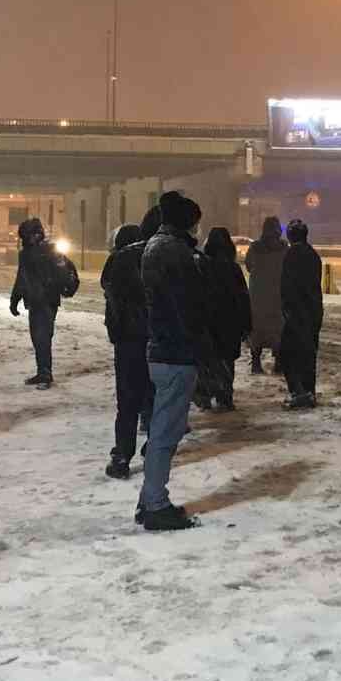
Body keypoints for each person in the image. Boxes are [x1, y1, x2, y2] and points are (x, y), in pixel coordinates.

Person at [139, 190, 206, 530]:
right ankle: (155, 504)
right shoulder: (177, 253)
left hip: (160, 349)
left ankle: (147, 500)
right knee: (166, 432)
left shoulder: (155, 246)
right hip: (176, 352)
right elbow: (189, 307)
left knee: (161, 430)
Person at [101, 222, 152, 478]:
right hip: (154, 338)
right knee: (153, 395)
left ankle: (121, 456)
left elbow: (110, 295)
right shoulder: (154, 256)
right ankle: (153, 447)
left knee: (127, 401)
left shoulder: (116, 262)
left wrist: (115, 330)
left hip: (127, 341)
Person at [10, 217, 79, 388]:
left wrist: (60, 288)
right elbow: (22, 278)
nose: (26, 240)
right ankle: (42, 371)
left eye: (27, 236)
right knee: (39, 337)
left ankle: (45, 374)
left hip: (46, 300)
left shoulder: (47, 251)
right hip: (38, 300)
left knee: (42, 337)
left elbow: (63, 272)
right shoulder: (30, 253)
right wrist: (15, 298)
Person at [202, 227, 254, 410]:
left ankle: (209, 394)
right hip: (230, 321)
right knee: (226, 360)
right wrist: (246, 325)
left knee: (210, 358)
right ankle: (225, 396)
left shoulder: (202, 266)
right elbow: (242, 297)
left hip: (208, 321)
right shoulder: (233, 269)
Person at [279, 218, 324, 408]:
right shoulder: (313, 254)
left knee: (289, 353)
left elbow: (288, 286)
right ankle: (308, 390)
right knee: (309, 352)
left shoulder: (291, 255)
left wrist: (287, 308)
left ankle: (298, 391)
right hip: (313, 309)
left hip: (297, 311)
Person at [244, 216, 287, 374]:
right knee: (278, 330)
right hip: (277, 295)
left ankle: (256, 362)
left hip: (258, 296)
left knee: (257, 330)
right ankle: (279, 363)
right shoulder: (283, 248)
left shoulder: (255, 247)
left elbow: (248, 266)